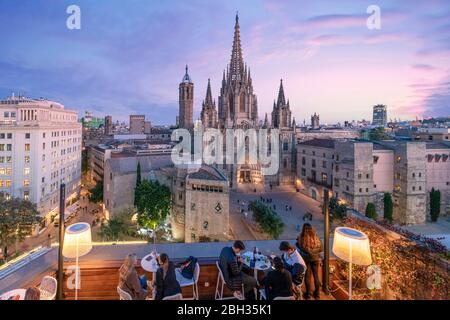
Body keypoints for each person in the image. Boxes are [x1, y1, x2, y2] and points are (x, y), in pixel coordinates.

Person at [296, 223, 323, 300]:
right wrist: (313, 252)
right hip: (315, 259)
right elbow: (321, 248)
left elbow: (300, 247)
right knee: (316, 276)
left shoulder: (301, 237)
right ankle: (317, 295)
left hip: (306, 259)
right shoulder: (315, 236)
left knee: (307, 276)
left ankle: (308, 295)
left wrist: (308, 251)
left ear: (303, 229)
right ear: (311, 229)